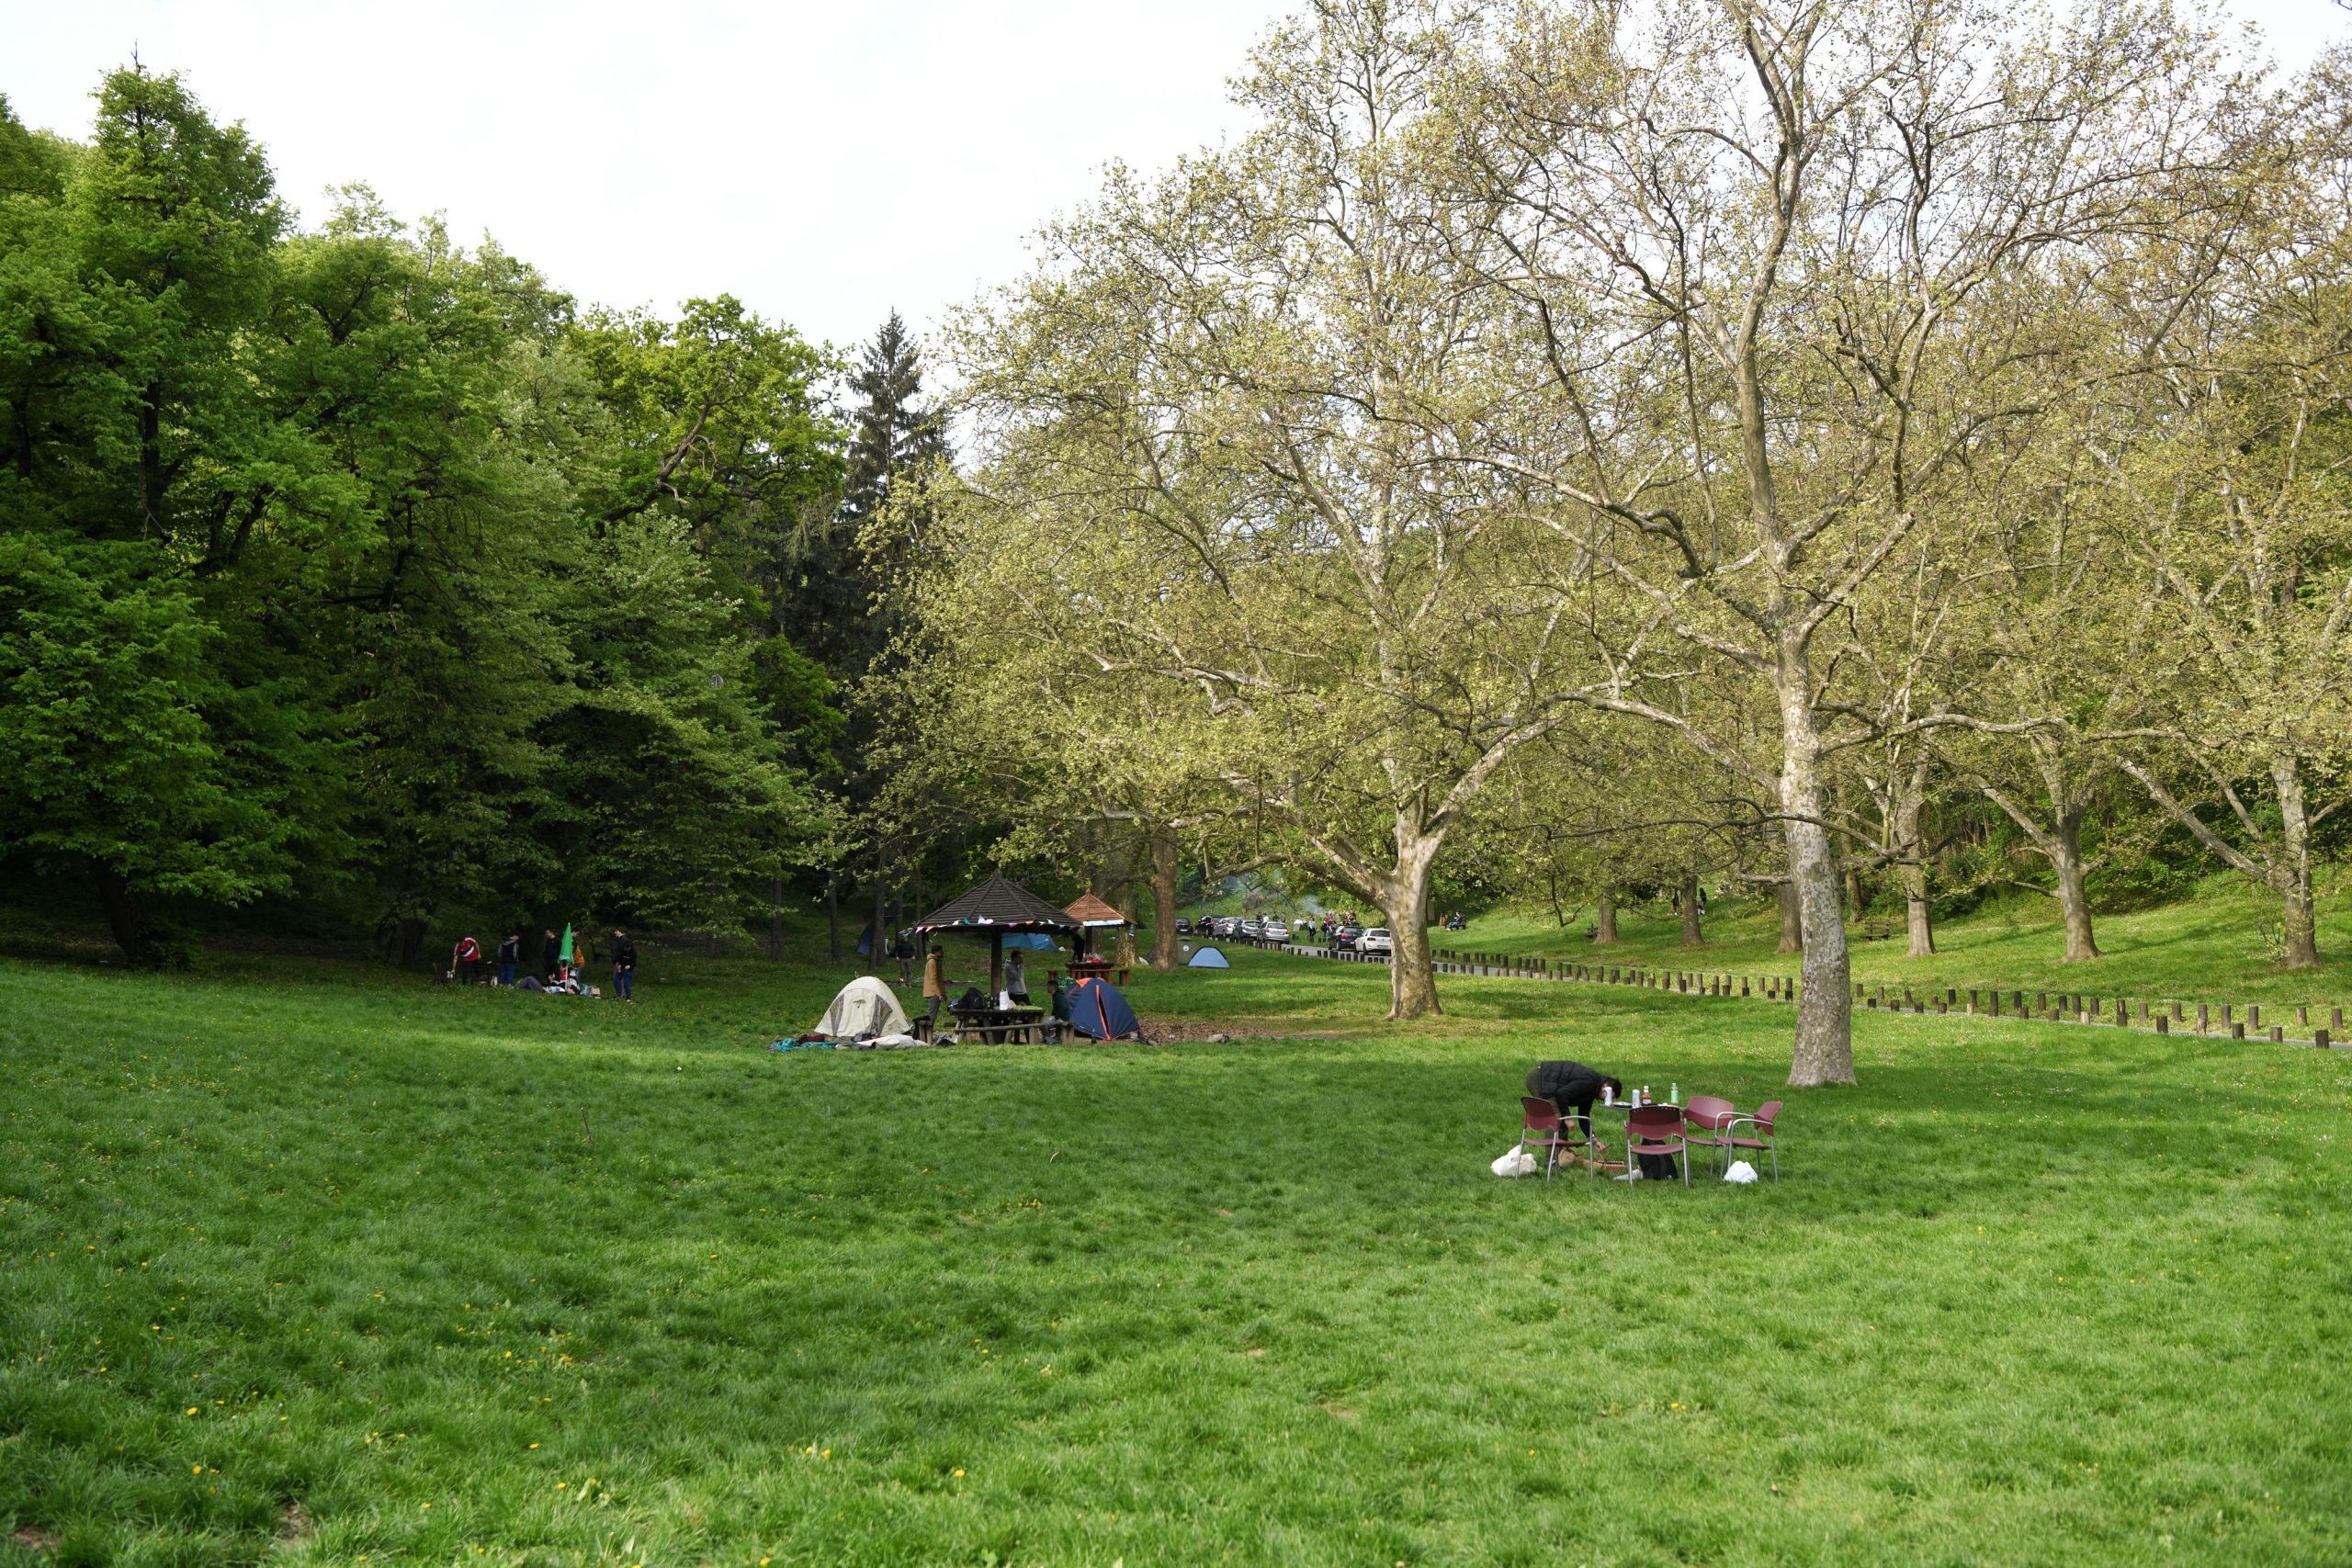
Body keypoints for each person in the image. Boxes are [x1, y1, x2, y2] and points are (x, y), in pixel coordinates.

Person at [1525, 1060, 1623, 1140]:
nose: (1606, 1100)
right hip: (1539, 1079)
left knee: (1562, 1117)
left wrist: (1593, 1139)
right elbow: (1562, 1094)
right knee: (1556, 1118)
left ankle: (1561, 1156)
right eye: (1609, 1096)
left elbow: (1583, 1117)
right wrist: (1567, 1118)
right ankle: (1551, 1161)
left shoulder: (1593, 1090)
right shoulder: (1589, 1082)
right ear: (1605, 1086)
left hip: (1549, 1083)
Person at [922, 942, 946, 1034]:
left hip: (936, 992)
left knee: (933, 1015)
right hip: (933, 993)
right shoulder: (932, 962)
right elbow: (934, 980)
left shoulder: (937, 961)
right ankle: (927, 1035)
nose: (942, 953)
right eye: (940, 951)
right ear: (936, 952)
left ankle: (928, 1034)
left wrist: (943, 993)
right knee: (932, 1016)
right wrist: (939, 994)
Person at [611, 928, 638, 1002]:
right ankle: (619, 995)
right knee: (616, 980)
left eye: (627, 949)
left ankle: (629, 997)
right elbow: (621, 957)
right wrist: (619, 964)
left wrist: (630, 966)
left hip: (628, 970)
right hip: (621, 967)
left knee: (626, 984)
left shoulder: (633, 952)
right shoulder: (623, 949)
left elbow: (634, 962)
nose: (626, 950)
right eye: (625, 949)